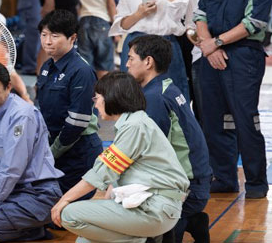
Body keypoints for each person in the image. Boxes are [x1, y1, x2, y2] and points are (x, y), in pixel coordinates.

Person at [51, 72, 189, 243]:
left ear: (111, 98)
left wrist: (64, 199)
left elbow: (100, 173)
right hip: (152, 205)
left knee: (68, 214)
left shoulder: (135, 126)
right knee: (83, 241)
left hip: (155, 209)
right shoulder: (133, 123)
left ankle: (142, 241)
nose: (95, 105)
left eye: (97, 98)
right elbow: (114, 173)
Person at [194, 0, 272, 198]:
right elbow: (200, 15)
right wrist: (210, 47)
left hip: (243, 58)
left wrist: (215, 43)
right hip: (211, 56)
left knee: (244, 119)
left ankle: (256, 182)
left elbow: (253, 23)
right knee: (214, 120)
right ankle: (224, 178)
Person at [126, 35, 212, 243]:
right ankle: (192, 221)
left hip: (188, 190)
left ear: (148, 62)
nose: (126, 64)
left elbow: (149, 154)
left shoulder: (154, 98)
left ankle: (178, 221)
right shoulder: (166, 86)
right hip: (198, 182)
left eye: (131, 58)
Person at [0, 61, 63, 242]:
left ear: (8, 86)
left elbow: (12, 168)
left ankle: (31, 228)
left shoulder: (22, 114)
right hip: (6, 193)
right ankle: (30, 230)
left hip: (37, 195)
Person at [110, 0, 190, 99]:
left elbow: (178, 13)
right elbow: (122, 24)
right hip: (136, 44)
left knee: (171, 93)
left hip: (166, 44)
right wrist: (139, 14)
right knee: (133, 94)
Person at [36, 10, 103, 195]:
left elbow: (77, 122)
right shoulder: (47, 66)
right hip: (53, 148)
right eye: (44, 35)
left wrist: (52, 153)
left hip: (77, 151)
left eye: (54, 36)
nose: (47, 41)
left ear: (72, 38)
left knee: (64, 214)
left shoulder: (81, 70)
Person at [190, 0, 227, 122]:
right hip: (200, 54)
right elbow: (191, 25)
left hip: (227, 53)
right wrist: (200, 40)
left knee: (226, 106)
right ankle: (204, 145)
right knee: (202, 104)